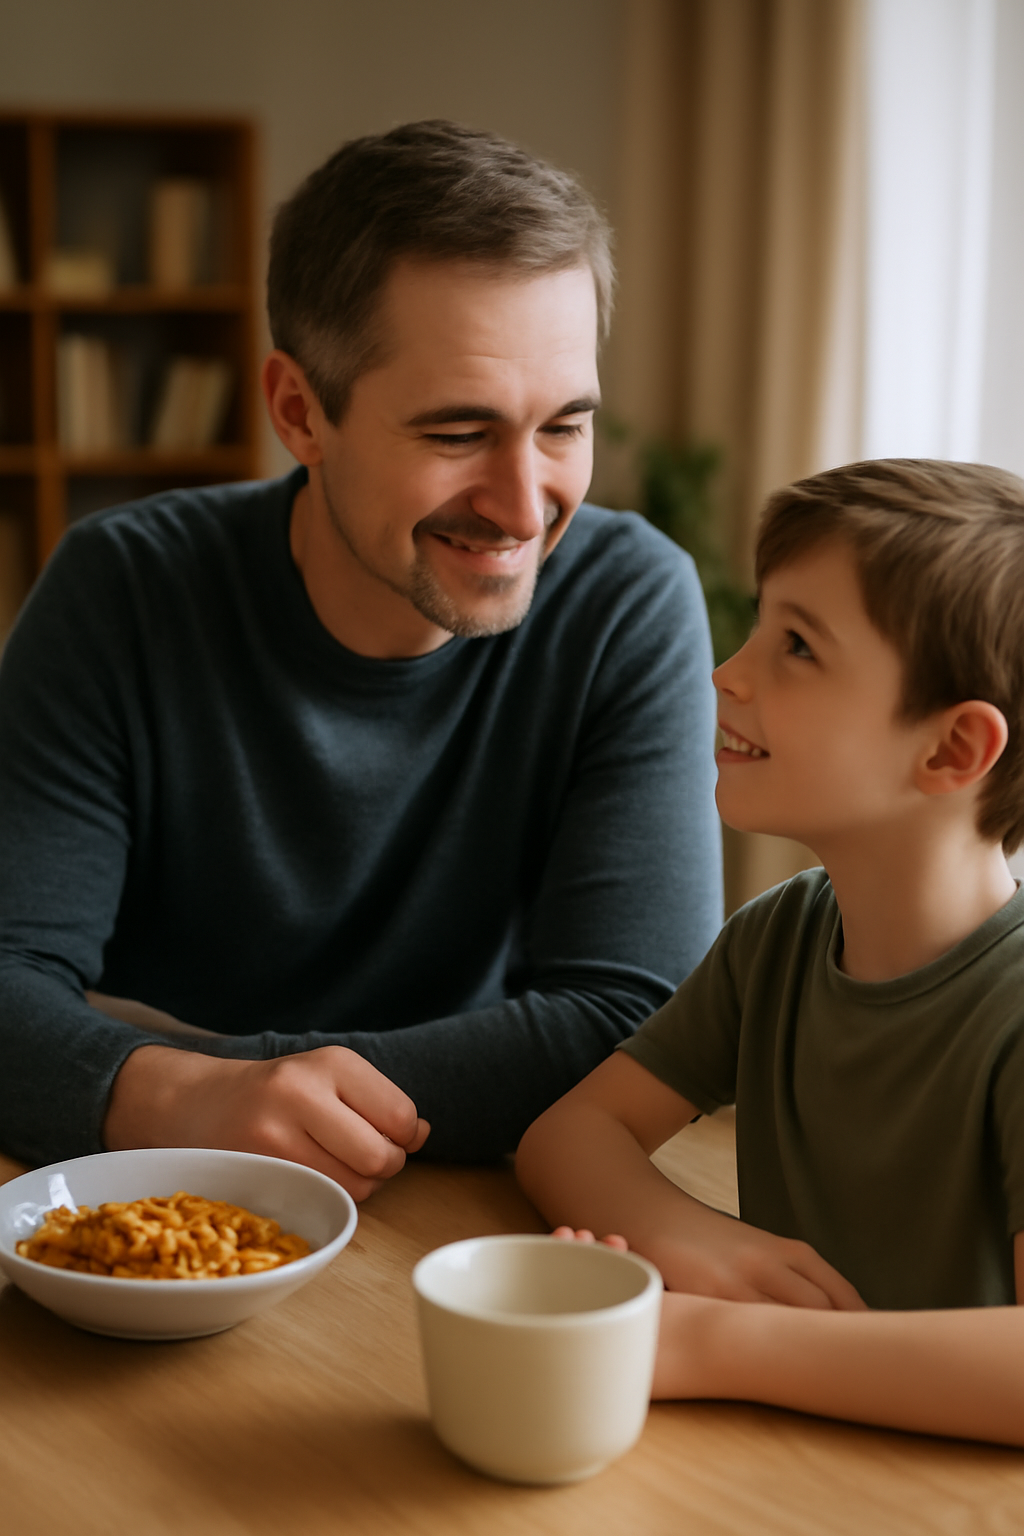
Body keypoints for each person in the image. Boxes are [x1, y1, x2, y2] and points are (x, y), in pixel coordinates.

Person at [0, 121, 722, 1196]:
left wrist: (178, 1083)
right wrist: (178, 1101)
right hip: (148, 1190)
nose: (526, 507)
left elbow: (635, 1028)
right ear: (301, 412)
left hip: (444, 1202)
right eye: (455, 434)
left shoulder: (626, 602)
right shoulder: (125, 588)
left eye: (563, 427)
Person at [517, 458, 1024, 1446]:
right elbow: (567, 1137)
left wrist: (713, 1342)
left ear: (951, 751)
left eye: (795, 644)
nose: (727, 671)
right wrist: (686, 1240)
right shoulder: (779, 936)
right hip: (778, 1457)